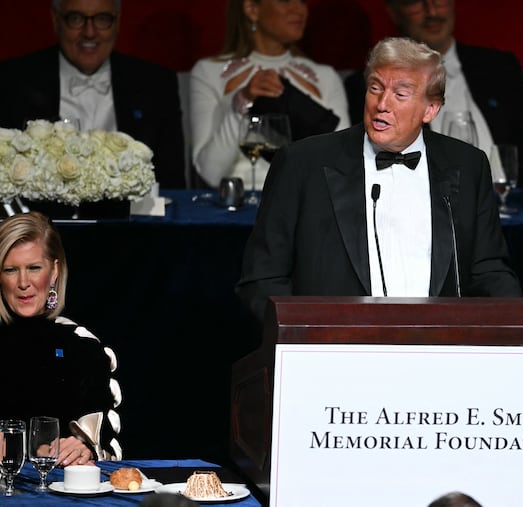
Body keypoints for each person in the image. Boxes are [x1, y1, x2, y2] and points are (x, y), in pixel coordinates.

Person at [236, 37, 521, 319]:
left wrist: (519, 330)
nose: (382, 104)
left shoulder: (468, 165)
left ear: (430, 109)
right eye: (375, 88)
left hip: (437, 350)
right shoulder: (302, 164)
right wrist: (302, 337)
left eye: (400, 94)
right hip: (335, 352)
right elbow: (262, 279)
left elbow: (490, 271)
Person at [344, 0, 523, 188]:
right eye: (415, 2)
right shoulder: (367, 85)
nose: (431, 10)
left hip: (511, 216)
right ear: (394, 13)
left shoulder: (500, 68)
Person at [0, 0, 186, 189]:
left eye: (102, 19)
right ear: (56, 20)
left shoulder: (156, 84)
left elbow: (173, 184)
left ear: (118, 22)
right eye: (76, 18)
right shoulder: (11, 81)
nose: (89, 32)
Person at [0, 212, 122, 464]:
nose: (24, 283)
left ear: (54, 271)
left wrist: (81, 447)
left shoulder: (81, 345)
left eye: (34, 268)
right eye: (11, 270)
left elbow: (100, 434)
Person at [190, 0, 350, 189]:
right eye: (286, 0)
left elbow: (343, 166)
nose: (299, 9)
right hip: (237, 209)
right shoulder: (209, 72)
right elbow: (210, 173)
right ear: (252, 9)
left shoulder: (325, 76)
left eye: (302, 1)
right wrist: (242, 102)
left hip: (303, 209)